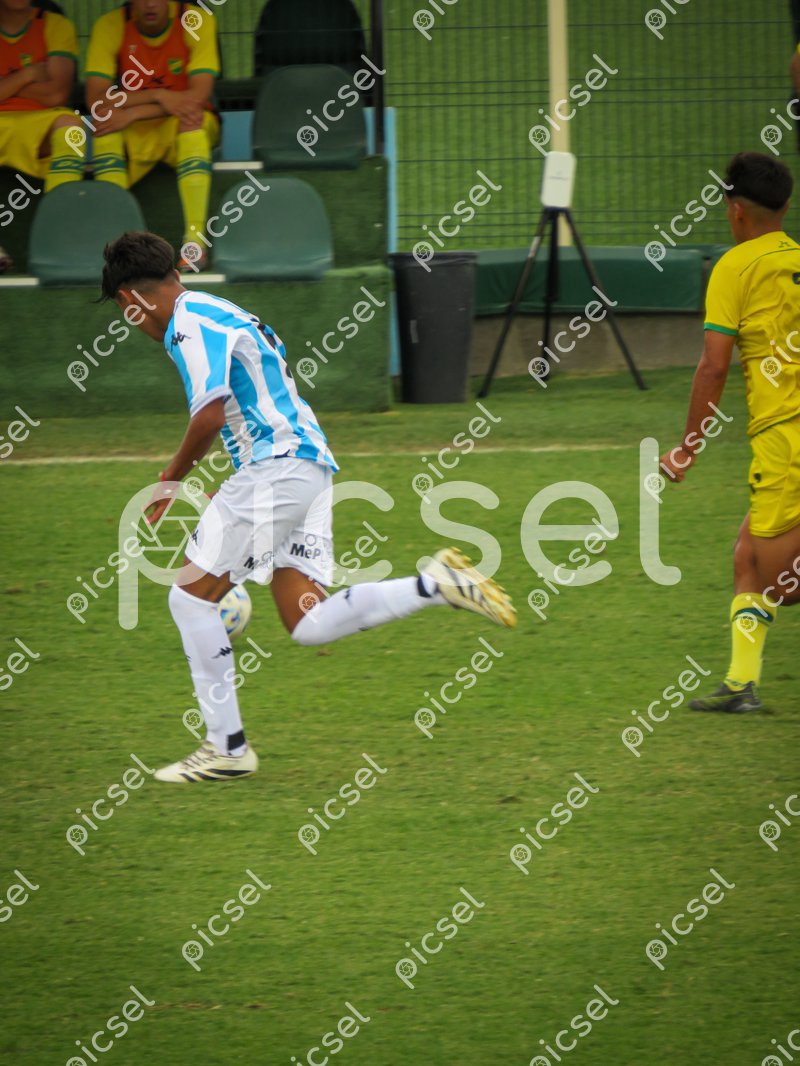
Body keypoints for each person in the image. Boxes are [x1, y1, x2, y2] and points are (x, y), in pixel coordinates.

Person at [100, 231, 516, 782]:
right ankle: (435, 584)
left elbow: (209, 417)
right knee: (307, 621)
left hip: (276, 470)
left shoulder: (187, 324)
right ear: (174, 271)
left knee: (190, 600)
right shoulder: (213, 309)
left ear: (130, 300)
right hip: (307, 467)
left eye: (125, 313)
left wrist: (170, 479)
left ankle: (227, 748)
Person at [661, 151, 800, 713]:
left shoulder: (734, 268)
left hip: (784, 440)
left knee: (783, 582)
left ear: (735, 211)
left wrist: (687, 448)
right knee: (747, 556)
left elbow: (714, 367)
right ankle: (742, 685)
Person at [85, 0, 220, 271]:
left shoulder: (196, 20)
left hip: (182, 122)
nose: (149, 4)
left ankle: (194, 244)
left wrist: (135, 111)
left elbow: (196, 97)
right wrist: (160, 95)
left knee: (192, 122)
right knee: (104, 126)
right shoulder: (110, 25)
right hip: (137, 128)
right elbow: (96, 101)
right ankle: (121, 249)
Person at [0, 0, 84, 272]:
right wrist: (28, 74)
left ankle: (58, 237)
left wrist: (7, 86)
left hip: (40, 120)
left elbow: (57, 94)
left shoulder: (55, 25)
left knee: (72, 128)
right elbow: (46, 89)